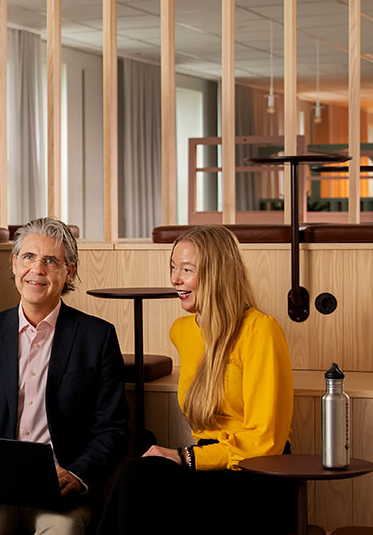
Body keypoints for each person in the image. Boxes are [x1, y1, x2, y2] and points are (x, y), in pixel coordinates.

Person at [96, 224, 295, 535]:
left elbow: (265, 441)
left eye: (186, 269)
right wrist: (190, 458)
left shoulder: (261, 330)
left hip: (256, 472)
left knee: (139, 481)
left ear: (217, 274)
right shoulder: (183, 331)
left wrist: (185, 456)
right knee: (137, 473)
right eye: (173, 267)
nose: (175, 279)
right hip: (205, 463)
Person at [0, 218, 130, 535]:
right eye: (28, 257)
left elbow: (112, 429)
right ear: (14, 263)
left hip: (62, 491)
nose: (37, 269)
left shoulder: (97, 338)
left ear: (68, 272)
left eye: (51, 260)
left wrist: (78, 474)